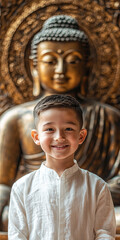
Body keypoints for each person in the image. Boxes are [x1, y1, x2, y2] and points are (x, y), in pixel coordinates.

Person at [0, 14, 120, 231]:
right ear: (34, 65)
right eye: (50, 61)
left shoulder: (108, 117)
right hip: (34, 204)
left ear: (88, 65)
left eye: (73, 60)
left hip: (95, 203)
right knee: (20, 216)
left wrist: (81, 195)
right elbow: (2, 183)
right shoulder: (15, 118)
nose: (61, 70)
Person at [8, 94, 116, 240]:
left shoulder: (97, 187)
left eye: (69, 129)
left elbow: (105, 234)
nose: (59, 137)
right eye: (50, 129)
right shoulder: (22, 188)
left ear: (81, 136)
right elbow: (17, 236)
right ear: (36, 137)